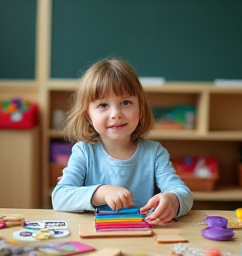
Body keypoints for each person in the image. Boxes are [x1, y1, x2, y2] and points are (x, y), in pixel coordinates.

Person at [52, 58, 193, 224]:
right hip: (95, 237)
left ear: (140, 109)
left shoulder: (154, 152)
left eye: (126, 102)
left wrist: (172, 200)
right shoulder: (83, 152)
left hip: (140, 236)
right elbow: (60, 197)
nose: (116, 114)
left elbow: (183, 193)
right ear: (88, 116)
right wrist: (101, 192)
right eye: (103, 105)